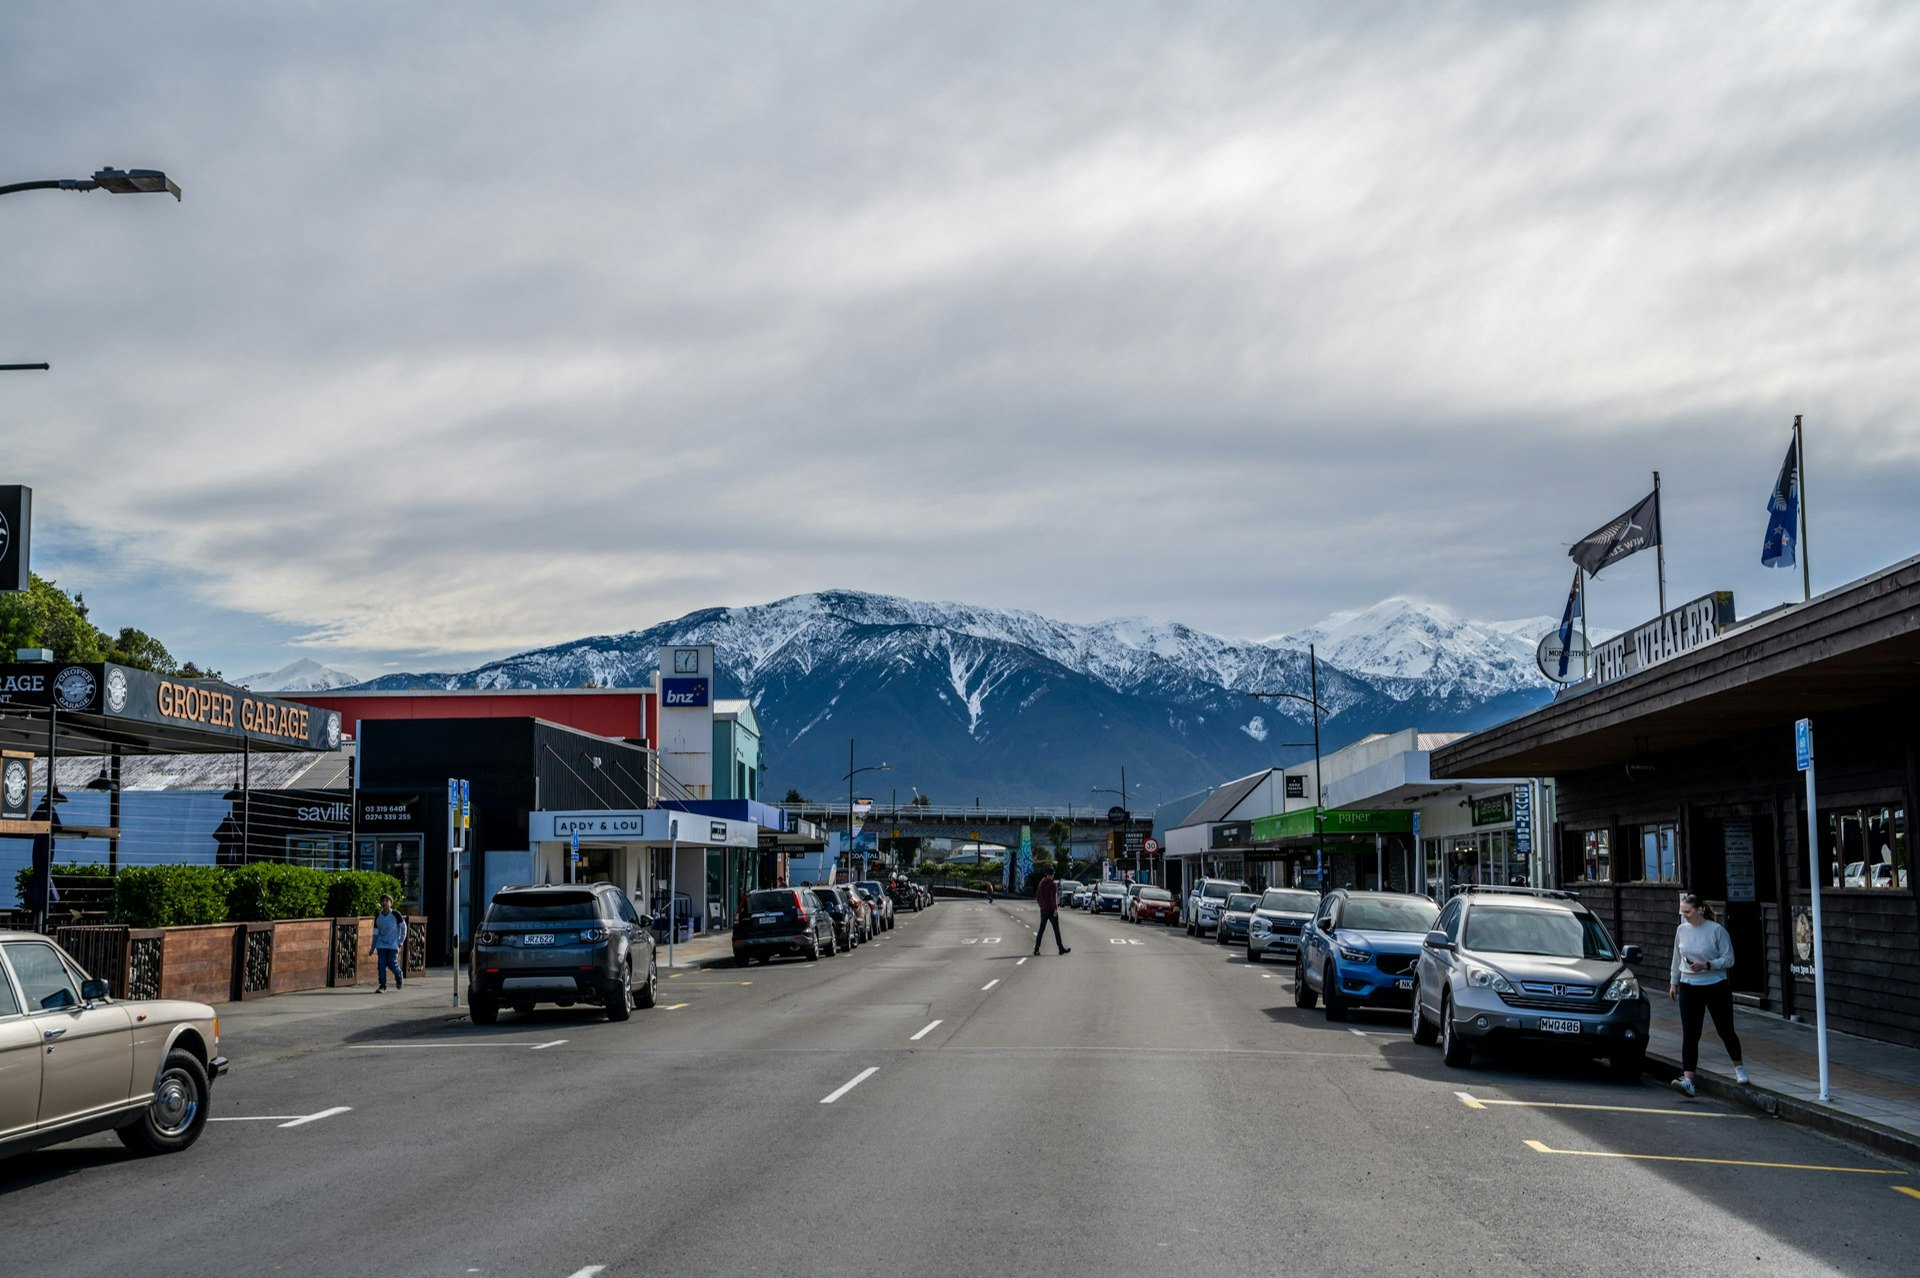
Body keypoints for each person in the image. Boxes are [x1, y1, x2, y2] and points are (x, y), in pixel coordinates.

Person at [1668, 892, 1746, 1094]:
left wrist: (1707, 965)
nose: (1684, 915)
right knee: (1690, 1033)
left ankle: (1739, 1067)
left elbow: (1729, 959)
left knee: (1725, 1029)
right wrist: (1673, 982)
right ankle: (1688, 1081)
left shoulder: (1716, 930)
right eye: (1682, 912)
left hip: (1715, 984)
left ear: (1700, 910)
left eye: (1688, 912)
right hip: (1688, 984)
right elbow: (1676, 957)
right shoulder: (1681, 930)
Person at [370, 895, 407, 993]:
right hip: (381, 945)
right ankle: (382, 986)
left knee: (391, 963)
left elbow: (404, 927)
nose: (384, 902)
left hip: (393, 945)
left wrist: (400, 941)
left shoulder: (396, 914)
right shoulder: (378, 916)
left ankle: (398, 975)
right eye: (382, 901)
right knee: (381, 965)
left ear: (391, 903)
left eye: (387, 900)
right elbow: (375, 933)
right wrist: (372, 947)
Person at [1031, 870, 1069, 956]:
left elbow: (1037, 897)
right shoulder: (1052, 884)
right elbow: (1053, 898)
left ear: (1046, 874)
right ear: (1052, 874)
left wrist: (1041, 906)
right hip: (1051, 910)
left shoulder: (1041, 882)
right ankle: (1060, 948)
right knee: (1056, 929)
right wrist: (1055, 909)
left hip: (1043, 910)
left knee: (1041, 930)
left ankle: (1036, 949)